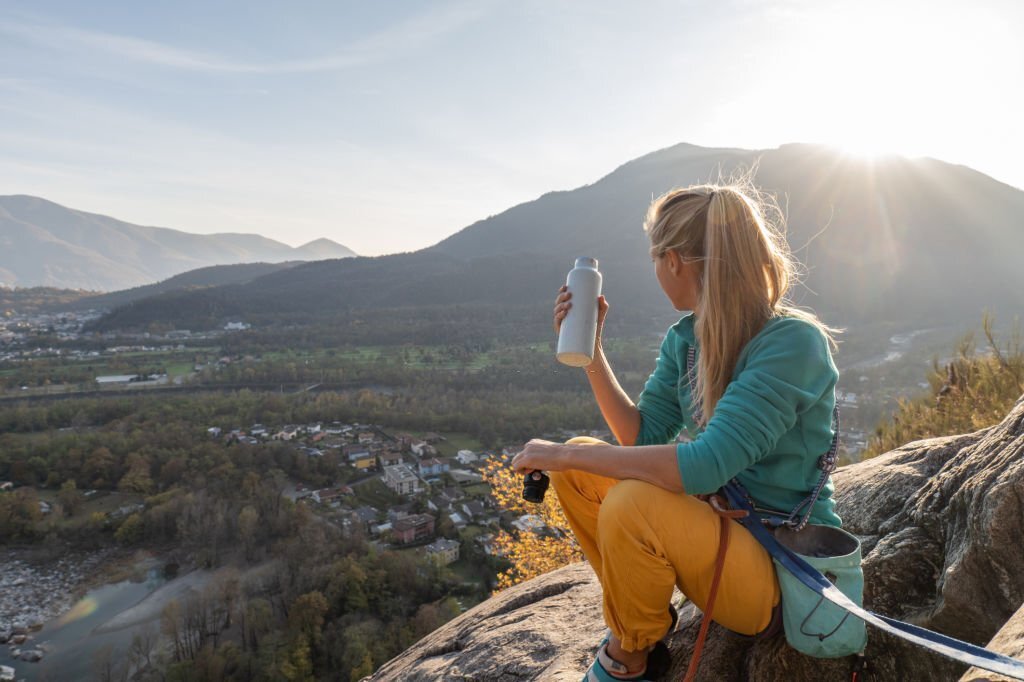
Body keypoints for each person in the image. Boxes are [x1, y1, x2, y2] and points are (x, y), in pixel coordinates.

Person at [511, 180, 841, 681]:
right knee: (582, 466)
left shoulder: (792, 344)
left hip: (779, 570)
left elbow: (706, 464)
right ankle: (643, 621)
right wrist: (591, 352)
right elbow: (642, 439)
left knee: (624, 498)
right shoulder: (687, 339)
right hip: (717, 536)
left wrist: (561, 454)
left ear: (674, 261)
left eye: (654, 259)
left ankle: (630, 656)